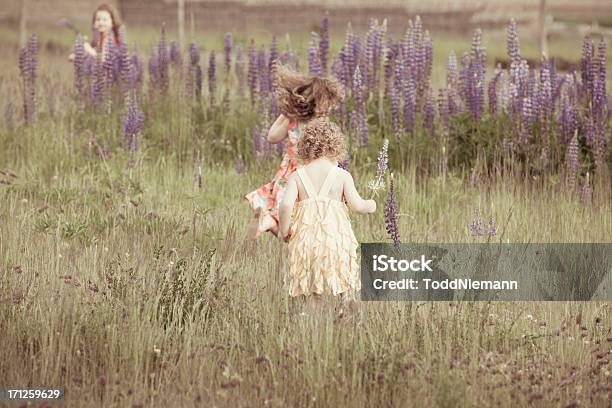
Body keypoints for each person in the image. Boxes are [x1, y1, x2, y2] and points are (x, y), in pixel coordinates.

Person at [278, 117, 376, 303]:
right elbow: (357, 206)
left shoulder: (297, 176)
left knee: (312, 283)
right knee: (343, 279)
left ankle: (315, 316)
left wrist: (284, 231)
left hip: (306, 242)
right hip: (336, 242)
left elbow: (285, 205)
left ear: (305, 149)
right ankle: (346, 305)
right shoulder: (342, 176)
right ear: (335, 147)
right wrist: (370, 205)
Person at [245, 64, 343, 238]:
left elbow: (272, 137)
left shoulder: (293, 121)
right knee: (298, 229)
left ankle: (268, 220)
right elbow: (327, 154)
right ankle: (268, 220)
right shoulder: (321, 124)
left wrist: (287, 114)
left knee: (290, 229)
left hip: (286, 174)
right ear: (320, 104)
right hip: (307, 178)